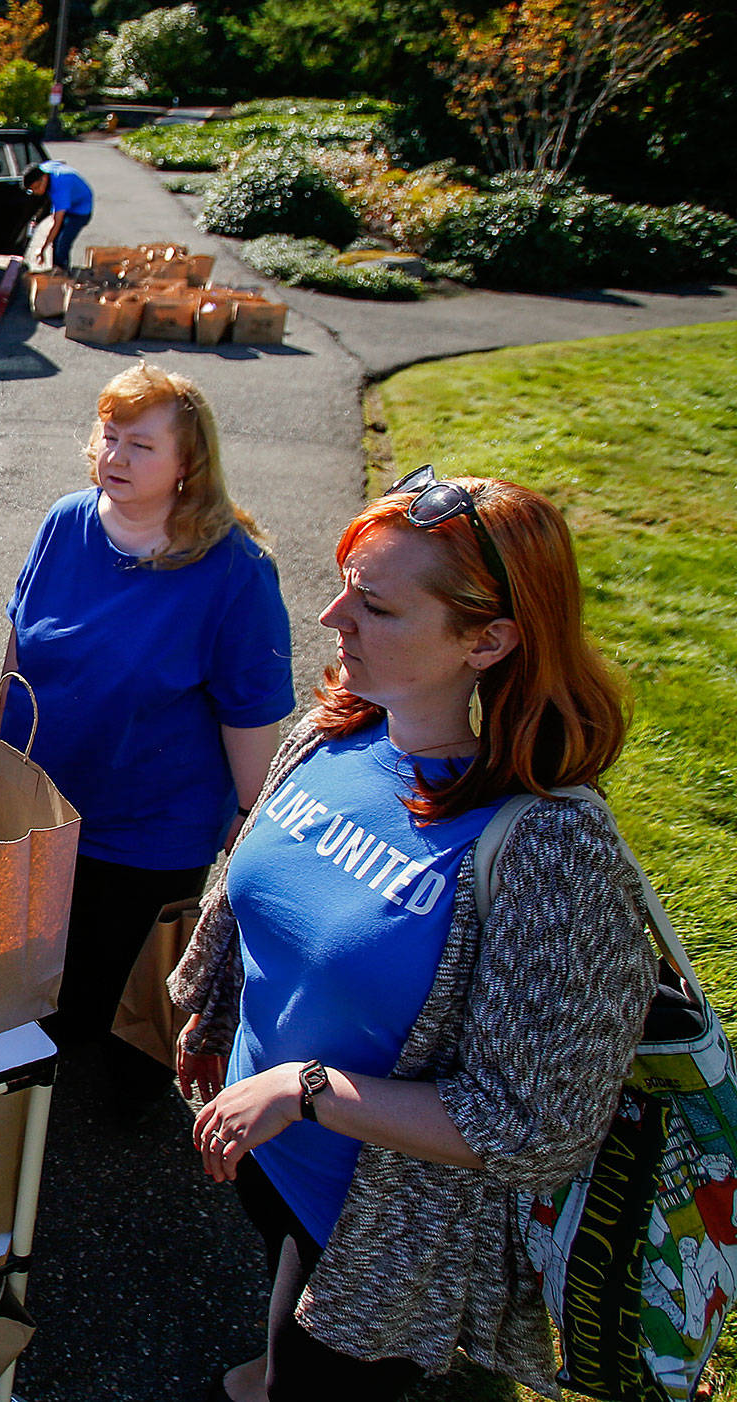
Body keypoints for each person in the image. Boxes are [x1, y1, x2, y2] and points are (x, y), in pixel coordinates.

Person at [170, 470, 656, 1402]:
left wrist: (303, 1089)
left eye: (376, 605)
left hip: (383, 1236)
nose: (328, 615)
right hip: (270, 1152)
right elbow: (252, 901)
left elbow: (537, 1124)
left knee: (316, 1375)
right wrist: (211, 1018)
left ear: (490, 639)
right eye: (347, 583)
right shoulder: (331, 733)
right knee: (283, 1315)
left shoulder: (549, 850)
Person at [0, 365, 292, 1072]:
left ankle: (120, 1097)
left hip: (150, 829)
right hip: (45, 803)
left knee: (120, 998)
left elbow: (249, 710)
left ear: (189, 464)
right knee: (39, 978)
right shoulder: (66, 522)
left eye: (141, 445)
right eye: (109, 436)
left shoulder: (233, 570)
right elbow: (20, 640)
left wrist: (251, 814)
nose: (115, 457)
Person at [24, 158, 94, 272]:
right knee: (55, 241)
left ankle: (62, 272)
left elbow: (56, 223)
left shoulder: (60, 190)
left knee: (63, 242)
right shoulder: (44, 169)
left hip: (81, 209)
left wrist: (42, 250)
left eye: (36, 188)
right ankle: (56, 269)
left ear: (44, 178)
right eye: (32, 190)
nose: (36, 192)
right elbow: (60, 161)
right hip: (70, 197)